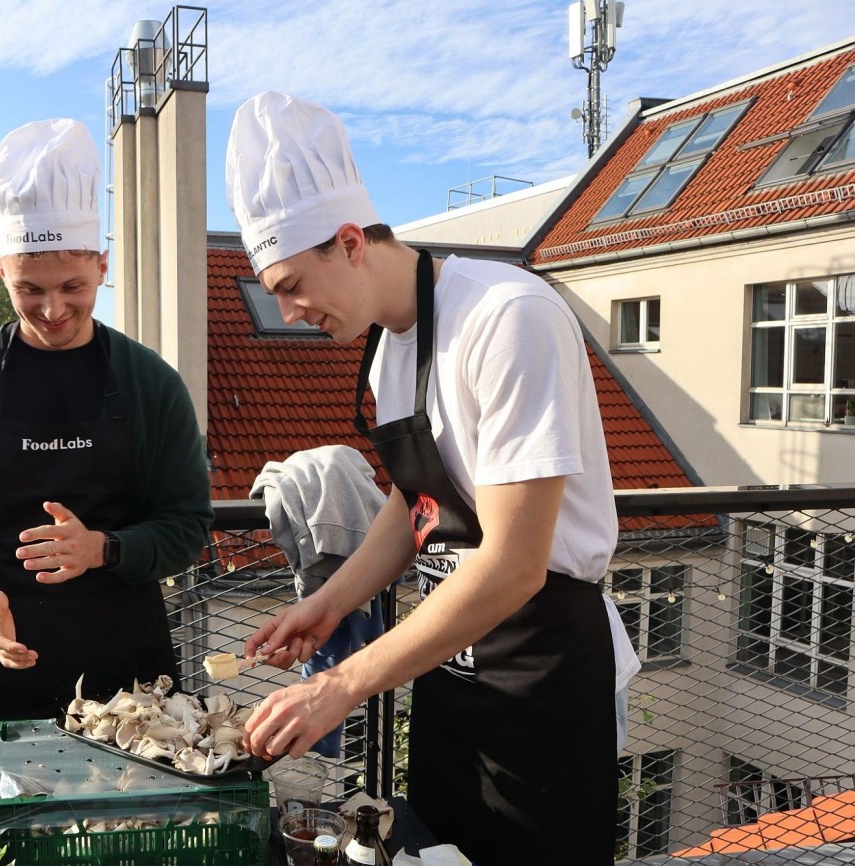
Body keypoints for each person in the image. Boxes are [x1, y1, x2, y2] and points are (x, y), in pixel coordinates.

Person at [225, 92, 625, 865]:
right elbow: (417, 501)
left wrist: (341, 685)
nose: (289, 311)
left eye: (290, 284)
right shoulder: (390, 349)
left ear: (349, 241)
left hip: (541, 682)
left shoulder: (508, 317)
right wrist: (328, 604)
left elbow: (514, 565)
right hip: (447, 677)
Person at [0, 117, 213, 827]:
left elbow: (189, 525)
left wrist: (106, 548)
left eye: (73, 284)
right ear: (1, 270)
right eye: (30, 288)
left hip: (130, 697)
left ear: (102, 264)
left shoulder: (151, 385)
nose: (54, 308)